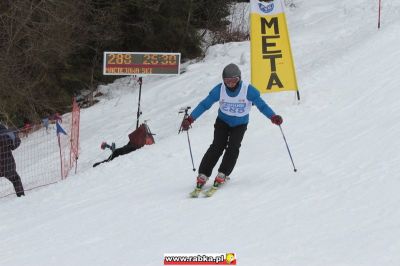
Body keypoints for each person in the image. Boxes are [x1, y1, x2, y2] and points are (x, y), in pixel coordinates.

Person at [181, 63, 283, 197]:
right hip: (223, 122)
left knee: (233, 147)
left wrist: (273, 116)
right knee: (217, 146)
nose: (230, 84)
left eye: (233, 80)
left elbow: (262, 106)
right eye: (227, 81)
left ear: (239, 79)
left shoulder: (248, 90)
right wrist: (190, 119)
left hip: (240, 124)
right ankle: (203, 174)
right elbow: (205, 104)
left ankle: (223, 173)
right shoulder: (219, 90)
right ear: (223, 80)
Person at [0, 123, 25, 197]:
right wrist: (15, 135)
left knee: (15, 179)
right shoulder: (6, 135)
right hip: (7, 165)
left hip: (6, 164)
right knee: (16, 179)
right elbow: (15, 145)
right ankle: (21, 197)